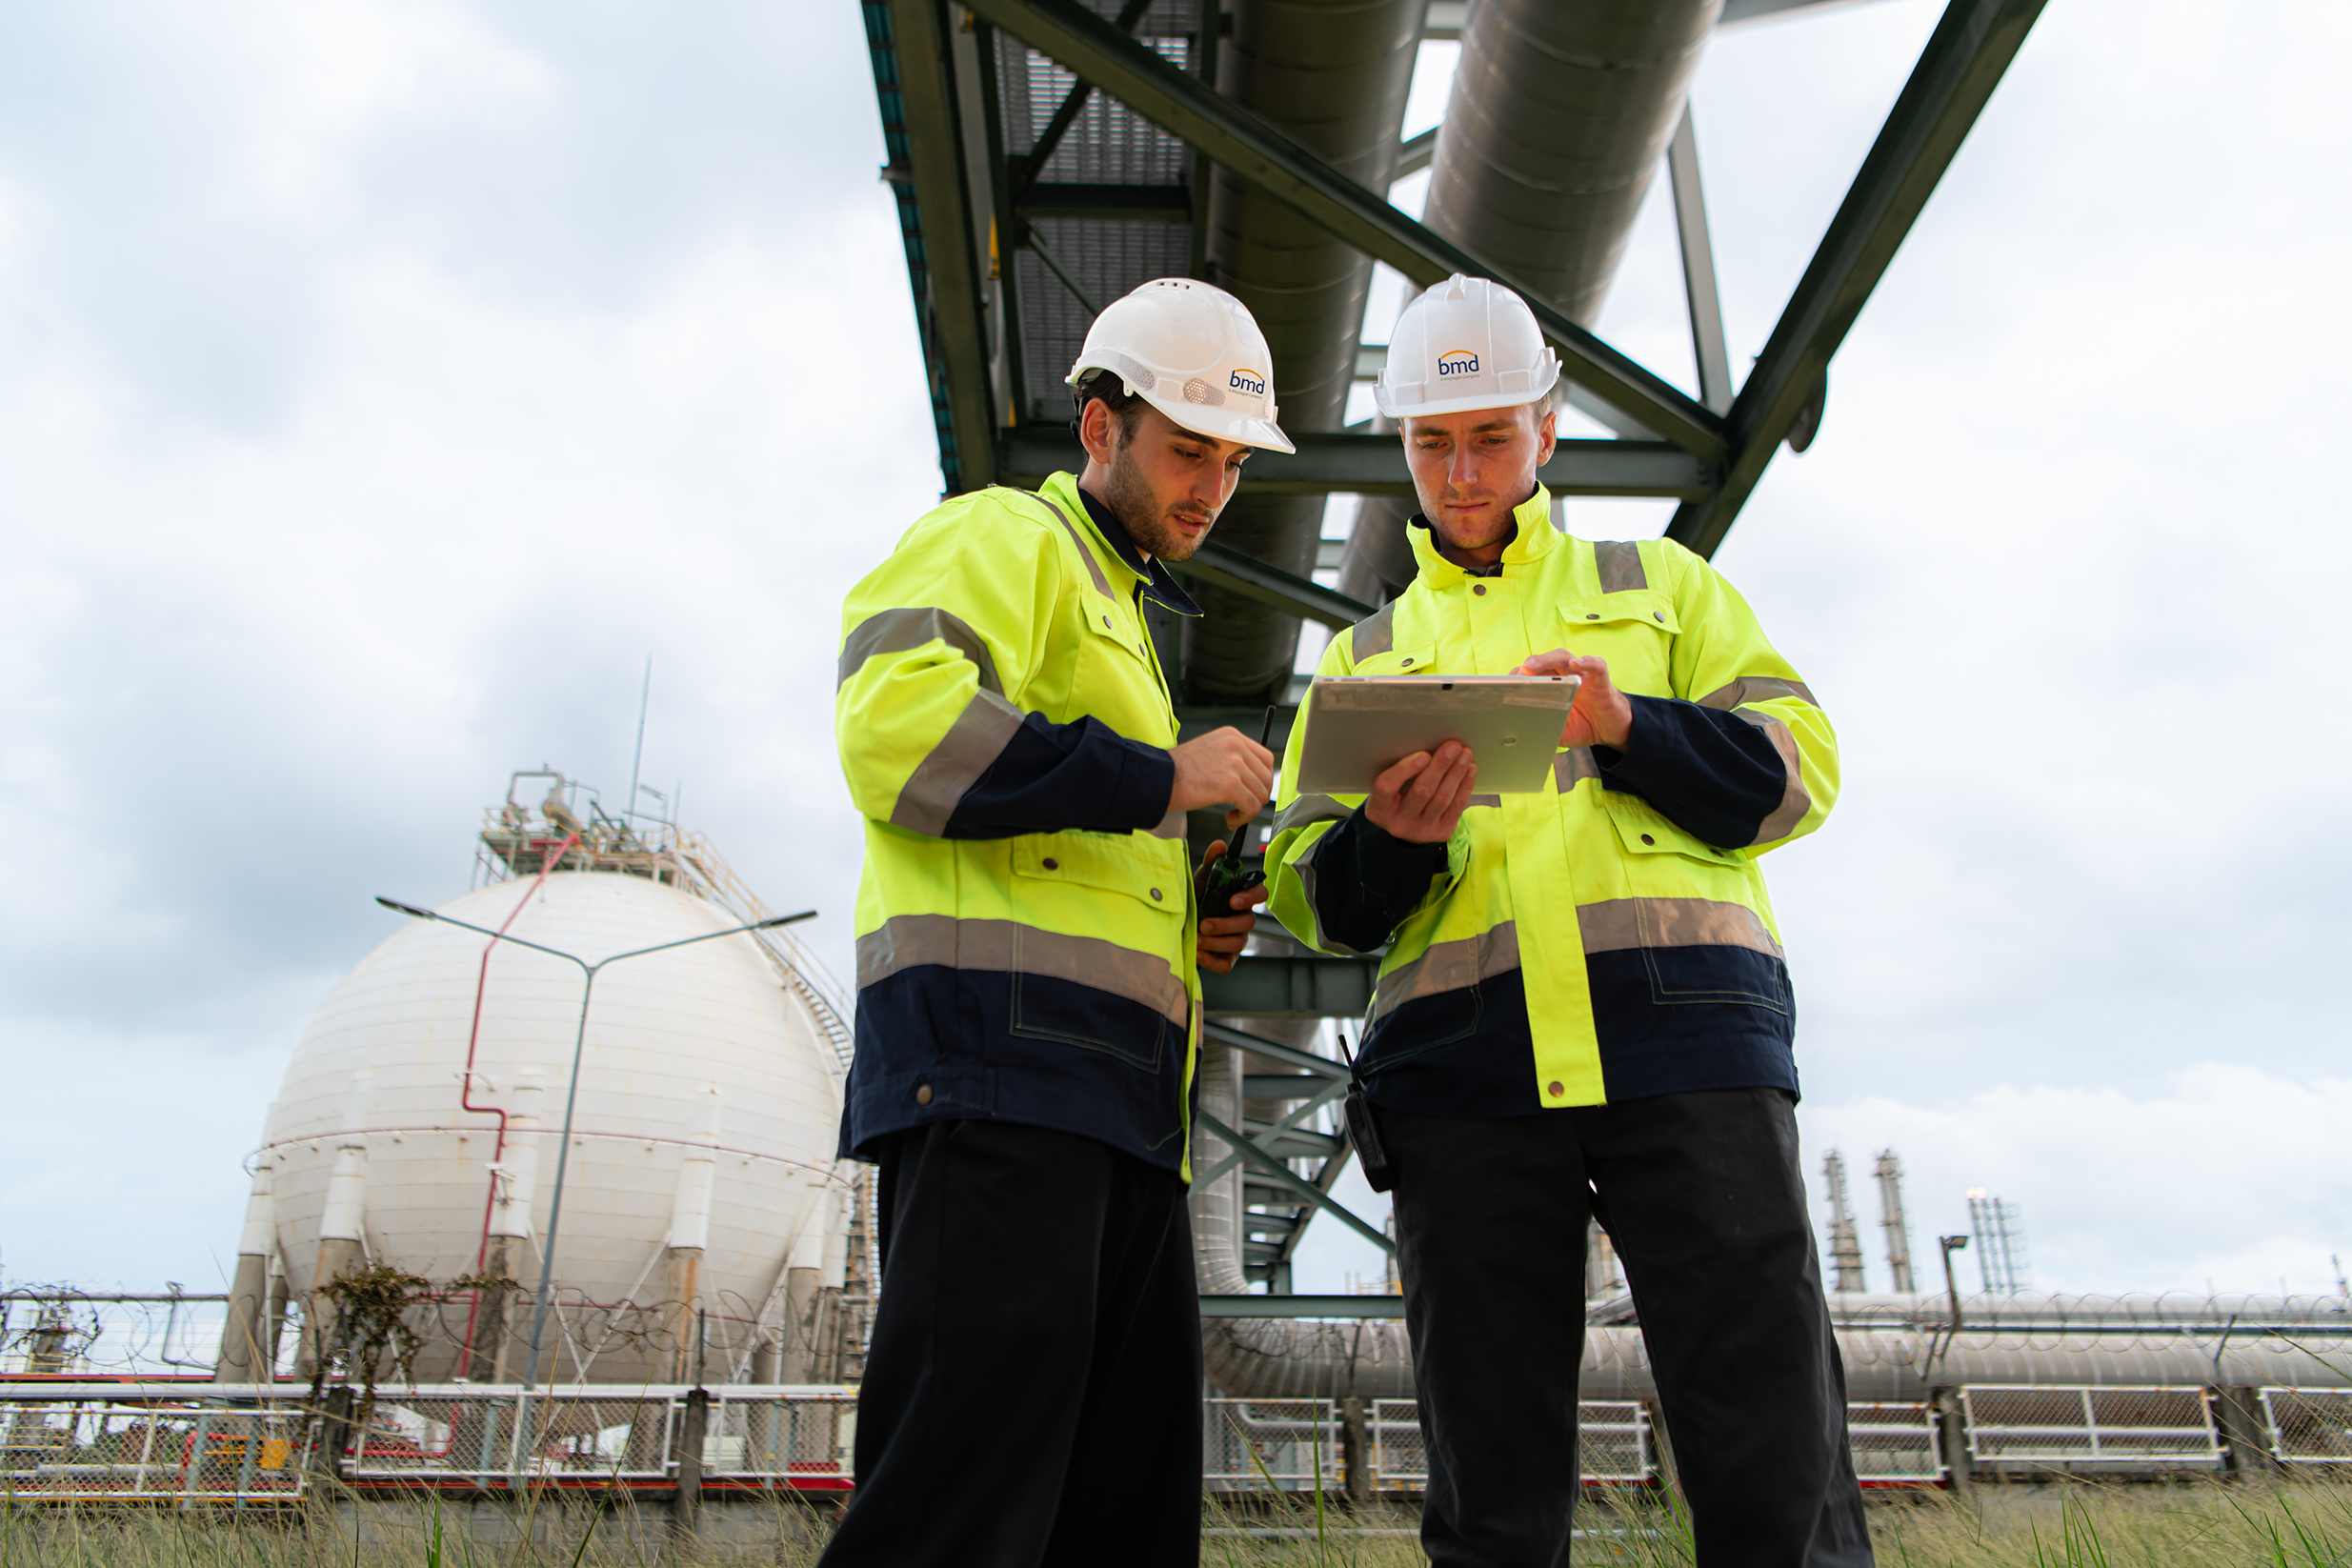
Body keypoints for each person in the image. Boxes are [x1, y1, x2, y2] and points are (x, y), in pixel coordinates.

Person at [1263, 274, 1871, 1568]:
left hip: (1685, 1051)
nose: (1463, 470)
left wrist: (1629, 725)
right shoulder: (1366, 658)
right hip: (1465, 1083)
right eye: (1433, 442)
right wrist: (1393, 842)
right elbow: (1310, 891)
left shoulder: (1668, 590)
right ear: (1403, 449)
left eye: (1490, 435)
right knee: (1491, 1488)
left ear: (1546, 427)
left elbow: (1800, 769)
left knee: (1772, 1452)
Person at [823, 278, 1291, 1567]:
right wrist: (1163, 777)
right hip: (997, 1085)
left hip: (1121, 1115)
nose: (1211, 487)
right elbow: (895, 731)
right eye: (1187, 449)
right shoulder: (1001, 537)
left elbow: (1060, 854)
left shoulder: (1125, 624)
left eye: (1232, 462)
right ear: (1100, 426)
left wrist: (1185, 926)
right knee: (957, 1513)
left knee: (1123, 1519)